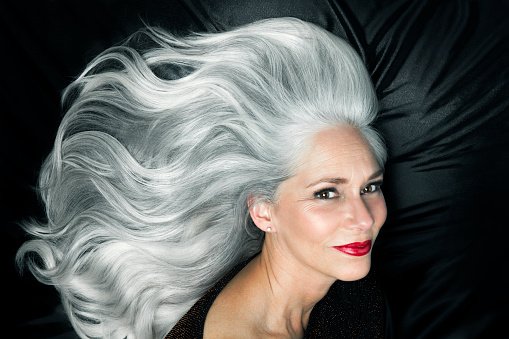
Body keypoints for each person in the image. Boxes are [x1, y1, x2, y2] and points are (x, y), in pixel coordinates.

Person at [16, 17, 389, 339]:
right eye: (327, 193)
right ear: (263, 211)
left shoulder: (350, 286)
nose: (364, 218)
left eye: (369, 187)